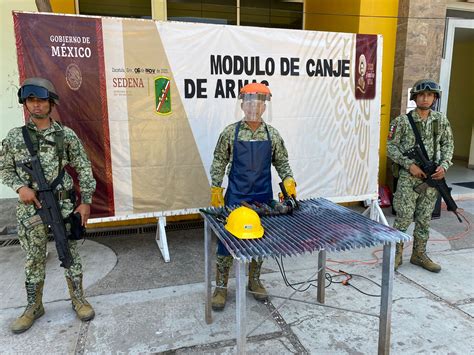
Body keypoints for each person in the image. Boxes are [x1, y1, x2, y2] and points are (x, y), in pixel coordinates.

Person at [0, 77, 96, 333]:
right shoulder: (15, 138)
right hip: (31, 210)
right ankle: (34, 305)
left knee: (70, 252)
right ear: (25, 103)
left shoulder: (65, 135)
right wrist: (20, 188)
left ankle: (78, 298)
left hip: (63, 206)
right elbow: (4, 168)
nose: (36, 105)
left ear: (51, 103)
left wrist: (85, 201)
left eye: (41, 100)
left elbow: (84, 167)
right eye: (31, 100)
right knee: (34, 258)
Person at [209, 82, 297, 310]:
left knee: (260, 239)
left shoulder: (272, 134)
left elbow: (282, 162)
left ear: (264, 108)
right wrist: (216, 188)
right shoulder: (230, 132)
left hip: (262, 197)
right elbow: (219, 161)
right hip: (236, 196)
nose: (253, 108)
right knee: (226, 242)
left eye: (258, 103)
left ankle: (254, 280)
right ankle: (220, 287)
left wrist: (289, 181)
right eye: (249, 103)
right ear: (242, 105)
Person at [387, 79, 454, 273]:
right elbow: (390, 147)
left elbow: (448, 145)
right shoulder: (402, 121)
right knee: (403, 218)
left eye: (430, 95)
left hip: (432, 179)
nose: (425, 98)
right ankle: (397, 254)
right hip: (409, 180)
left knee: (425, 218)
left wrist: (444, 165)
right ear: (415, 97)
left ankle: (419, 254)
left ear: (435, 98)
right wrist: (410, 165)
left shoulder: (440, 120)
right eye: (422, 95)